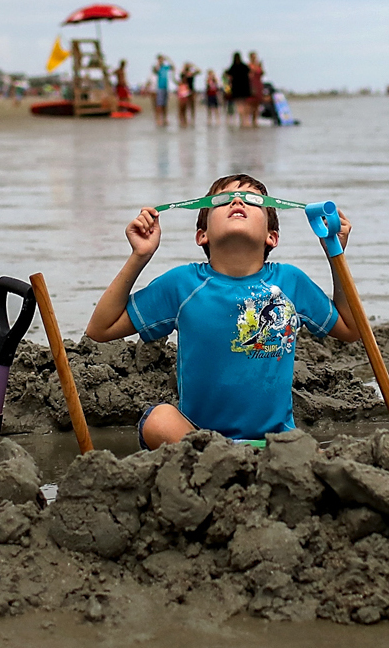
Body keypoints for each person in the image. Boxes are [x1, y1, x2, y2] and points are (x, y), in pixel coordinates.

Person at [84, 174, 363, 446]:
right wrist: (140, 256)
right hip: (198, 441)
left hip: (276, 444)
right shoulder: (182, 284)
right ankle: (223, 455)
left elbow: (351, 329)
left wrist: (335, 255)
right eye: (224, 199)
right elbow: (101, 329)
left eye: (253, 200)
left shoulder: (291, 282)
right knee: (158, 420)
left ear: (272, 236)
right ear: (202, 235)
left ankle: (234, 458)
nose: (238, 202)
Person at [226, 52, 251, 126]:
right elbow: (249, 73)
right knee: (245, 104)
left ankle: (242, 120)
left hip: (236, 87)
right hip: (245, 87)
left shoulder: (233, 67)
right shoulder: (244, 66)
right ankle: (246, 120)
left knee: (239, 104)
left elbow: (228, 74)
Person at [152, 54, 173, 127]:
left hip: (165, 87)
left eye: (162, 59)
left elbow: (173, 67)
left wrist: (168, 58)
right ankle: (158, 119)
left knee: (165, 104)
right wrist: (158, 63)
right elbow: (155, 70)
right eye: (160, 59)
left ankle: (165, 119)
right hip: (160, 88)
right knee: (159, 105)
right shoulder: (158, 67)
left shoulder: (165, 67)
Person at [247, 52, 266, 126]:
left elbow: (262, 74)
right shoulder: (249, 65)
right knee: (250, 103)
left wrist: (261, 67)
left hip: (259, 84)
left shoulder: (259, 65)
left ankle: (255, 120)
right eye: (253, 57)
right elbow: (249, 75)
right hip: (252, 84)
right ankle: (249, 119)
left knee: (257, 103)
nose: (254, 58)